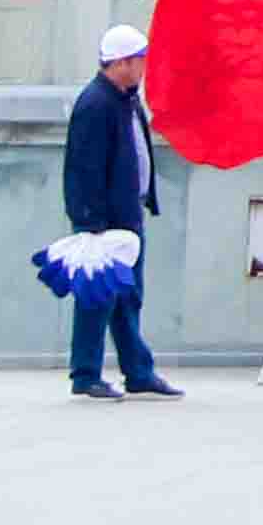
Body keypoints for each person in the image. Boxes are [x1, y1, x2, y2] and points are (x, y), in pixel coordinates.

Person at [56, 21, 175, 400]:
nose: (144, 67)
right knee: (97, 297)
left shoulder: (126, 99)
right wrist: (91, 222)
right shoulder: (96, 104)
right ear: (121, 63)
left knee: (127, 296)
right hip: (104, 221)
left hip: (127, 216)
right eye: (140, 60)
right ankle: (86, 373)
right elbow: (82, 166)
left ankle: (138, 370)